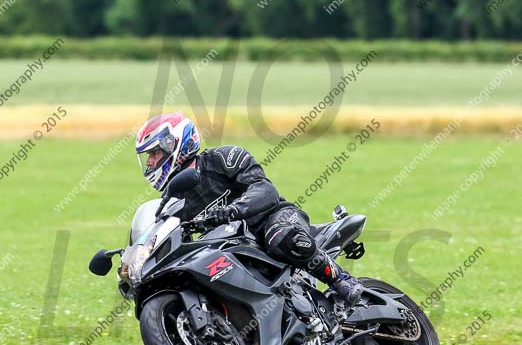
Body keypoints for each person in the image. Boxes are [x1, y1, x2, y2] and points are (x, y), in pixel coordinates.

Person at [135, 111, 363, 304]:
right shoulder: (175, 197)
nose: (150, 162)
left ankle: (342, 280)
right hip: (236, 248)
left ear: (177, 145)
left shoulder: (223, 158)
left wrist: (232, 210)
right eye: (148, 156)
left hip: (275, 219)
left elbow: (266, 191)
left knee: (279, 235)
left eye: (154, 153)